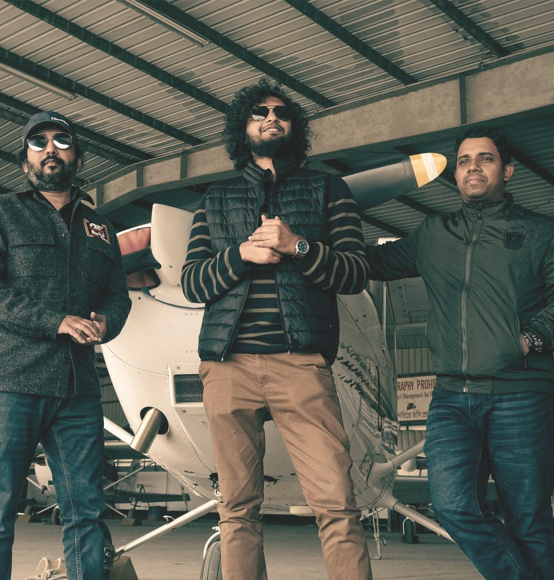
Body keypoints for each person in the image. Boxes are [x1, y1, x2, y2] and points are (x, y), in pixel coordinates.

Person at [366, 126, 554, 580]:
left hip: (521, 394)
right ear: (456, 175)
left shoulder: (543, 233)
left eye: (485, 158)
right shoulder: (433, 233)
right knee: (452, 505)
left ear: (507, 171)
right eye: (464, 160)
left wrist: (525, 341)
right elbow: (370, 263)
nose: (473, 167)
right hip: (451, 398)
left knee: (529, 518)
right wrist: (311, 238)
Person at [180, 79, 373, 580]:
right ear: (242, 129)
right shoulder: (214, 199)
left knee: (336, 502)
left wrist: (298, 247)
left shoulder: (329, 189)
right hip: (227, 366)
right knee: (236, 508)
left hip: (300, 364)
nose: (271, 117)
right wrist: (241, 255)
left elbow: (355, 273)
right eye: (259, 112)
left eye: (282, 112)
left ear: (294, 127)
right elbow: (193, 283)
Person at [0, 110, 131, 580]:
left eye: (61, 141)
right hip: (11, 381)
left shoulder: (100, 227)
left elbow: (117, 295)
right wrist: (55, 321)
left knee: (86, 509)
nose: (50, 149)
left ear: (78, 158)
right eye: (38, 142)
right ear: (25, 161)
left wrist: (108, 320)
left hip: (77, 388)